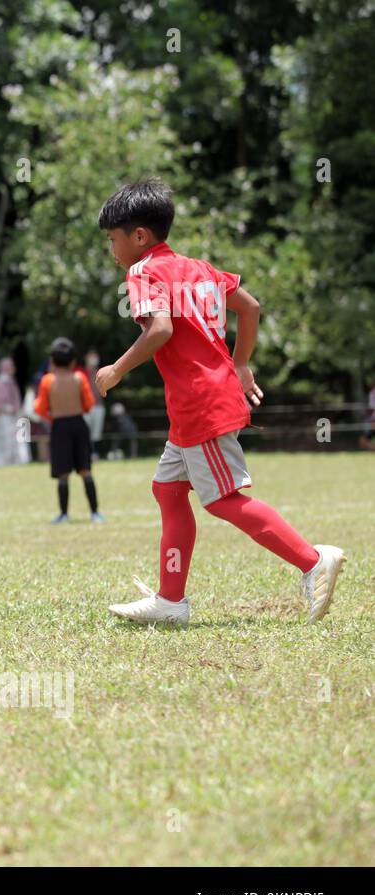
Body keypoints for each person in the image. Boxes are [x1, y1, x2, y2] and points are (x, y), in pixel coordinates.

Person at [95, 177, 344, 625]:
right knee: (168, 490)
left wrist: (115, 370)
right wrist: (241, 362)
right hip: (202, 400)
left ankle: (312, 561)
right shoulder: (201, 268)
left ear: (139, 236)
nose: (112, 250)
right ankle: (170, 602)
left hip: (200, 402)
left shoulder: (142, 272)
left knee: (223, 500)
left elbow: (160, 330)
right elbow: (250, 308)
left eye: (113, 239)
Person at [34, 337, 103, 523]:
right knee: (85, 470)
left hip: (59, 427)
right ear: (73, 361)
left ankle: (64, 514)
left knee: (63, 473)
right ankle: (95, 512)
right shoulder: (79, 378)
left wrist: (54, 416)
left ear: (52, 361)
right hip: (79, 425)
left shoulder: (47, 381)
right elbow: (89, 404)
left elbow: (39, 408)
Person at [0, 358, 27, 467]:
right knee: (5, 441)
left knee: (13, 440)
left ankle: (13, 461)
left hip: (11, 417)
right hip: (4, 417)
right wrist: (10, 409)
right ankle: (4, 462)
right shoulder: (1, 381)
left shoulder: (9, 381)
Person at [83, 348, 106, 458]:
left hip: (99, 407)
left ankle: (95, 454)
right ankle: (86, 453)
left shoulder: (102, 371)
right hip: (86, 408)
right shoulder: (82, 372)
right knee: (85, 432)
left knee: (96, 433)